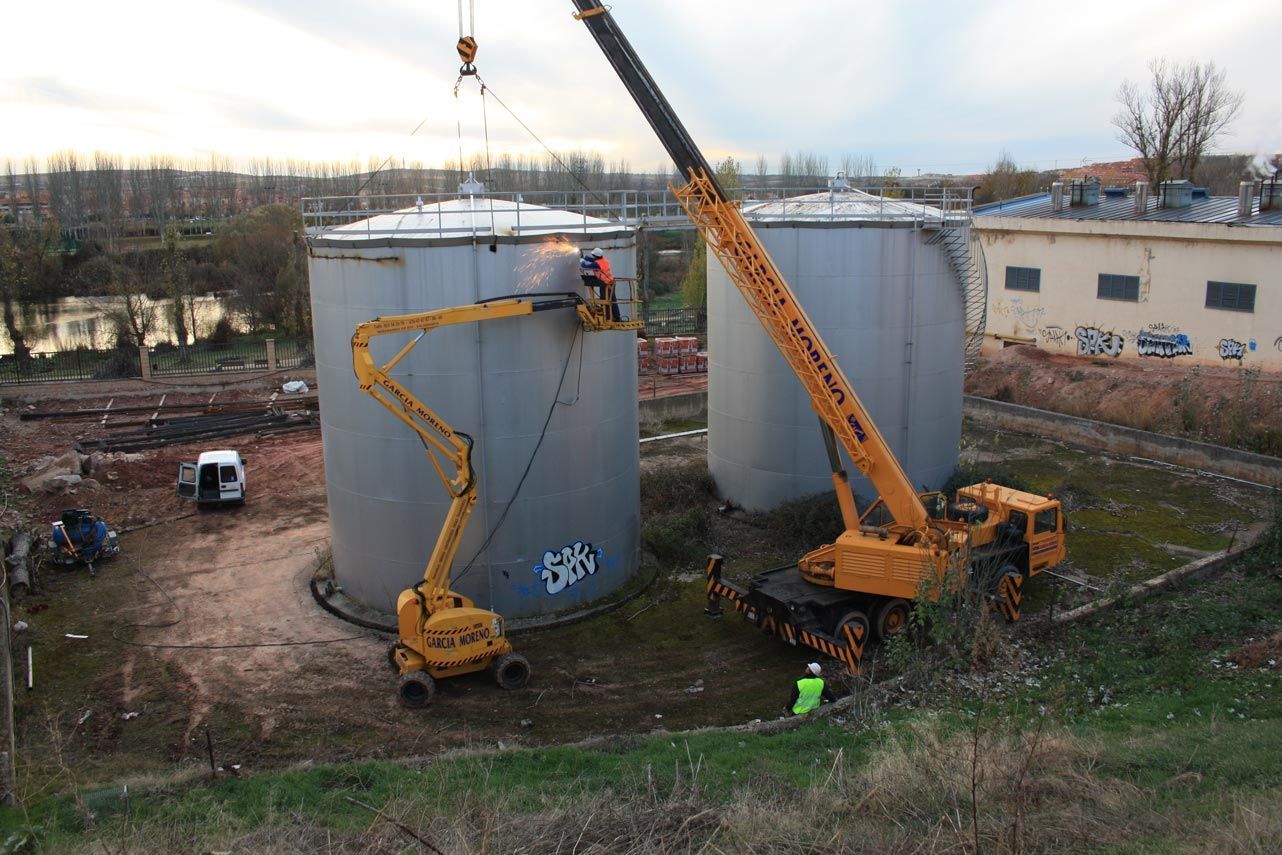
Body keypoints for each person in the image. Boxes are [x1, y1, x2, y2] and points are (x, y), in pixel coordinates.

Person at [579, 247, 620, 321]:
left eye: (593, 255)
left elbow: (584, 266)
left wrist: (582, 261)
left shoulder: (597, 264)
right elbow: (594, 260)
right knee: (613, 301)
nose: (593, 256)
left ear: (596, 256)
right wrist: (585, 257)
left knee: (604, 300)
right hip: (610, 282)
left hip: (604, 284)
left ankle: (607, 317)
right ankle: (617, 317)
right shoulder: (604, 260)